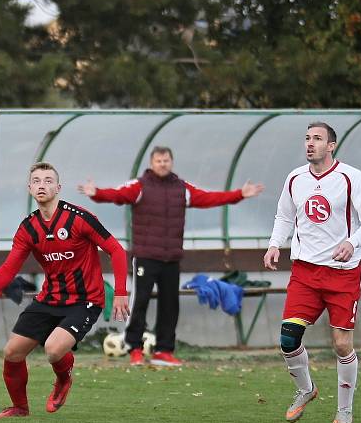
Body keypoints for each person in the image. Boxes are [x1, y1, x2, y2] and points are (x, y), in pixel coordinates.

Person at [0, 162, 130, 418]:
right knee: (12, 352)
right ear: (30, 188)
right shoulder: (28, 227)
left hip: (85, 300)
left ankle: (64, 379)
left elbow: (116, 250)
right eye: (37, 181)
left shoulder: (79, 218)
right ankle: (20, 407)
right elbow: (8, 269)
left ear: (58, 187)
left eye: (48, 180)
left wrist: (120, 292)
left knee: (53, 349)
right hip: (50, 298)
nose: (42, 184)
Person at [78, 146, 264, 366]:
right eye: (158, 161)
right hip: (146, 257)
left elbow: (208, 198)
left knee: (170, 305)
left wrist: (239, 195)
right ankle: (135, 348)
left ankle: (164, 351)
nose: (163, 164)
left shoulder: (181, 188)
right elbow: (117, 195)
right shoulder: (139, 186)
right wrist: (96, 193)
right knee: (140, 302)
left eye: (166, 160)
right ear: (152, 163)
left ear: (171, 162)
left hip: (171, 258)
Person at [263, 122, 361, 423]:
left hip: (342, 273)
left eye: (317, 138)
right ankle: (306, 390)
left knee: (341, 344)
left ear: (331, 146)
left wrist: (352, 242)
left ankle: (344, 409)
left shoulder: (350, 177)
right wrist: (275, 244)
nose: (310, 143)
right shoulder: (295, 178)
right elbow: (284, 215)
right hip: (305, 271)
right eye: (307, 138)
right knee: (288, 339)